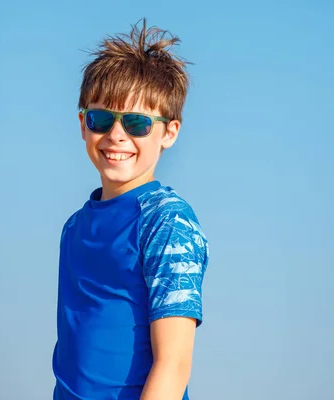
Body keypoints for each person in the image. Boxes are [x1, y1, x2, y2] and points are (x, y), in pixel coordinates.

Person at [52, 19, 210, 400]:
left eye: (137, 123)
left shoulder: (167, 221)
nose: (116, 135)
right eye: (101, 119)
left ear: (169, 132)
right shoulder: (74, 227)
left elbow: (173, 364)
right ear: (82, 124)